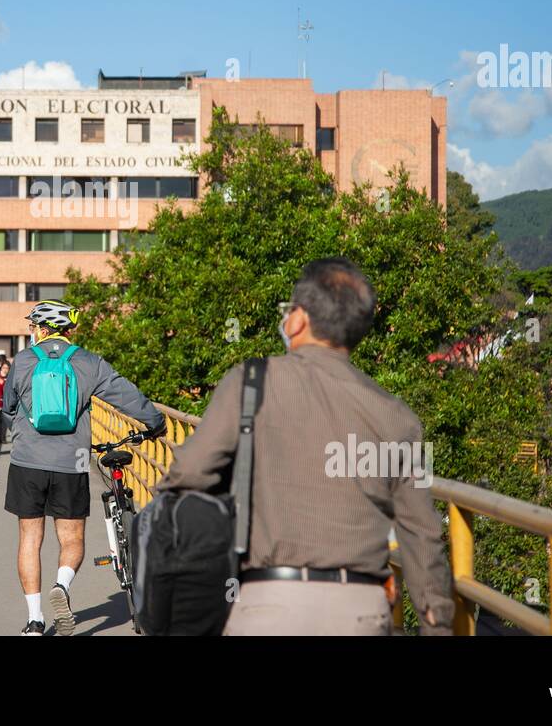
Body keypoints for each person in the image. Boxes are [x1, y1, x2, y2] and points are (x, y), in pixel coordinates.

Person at [158, 257, 455, 635]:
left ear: (298, 320)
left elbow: (186, 475)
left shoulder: (251, 383)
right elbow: (423, 534)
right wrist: (437, 625)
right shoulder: (397, 416)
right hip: (362, 612)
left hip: (266, 607)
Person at [2, 299, 165, 636]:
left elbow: (7, 409)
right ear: (68, 328)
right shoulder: (89, 362)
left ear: (43, 328)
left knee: (30, 538)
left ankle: (34, 621)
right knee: (72, 538)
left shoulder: (22, 361)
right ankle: (62, 586)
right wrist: (156, 422)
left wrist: (21, 431)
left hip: (27, 463)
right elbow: (127, 395)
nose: (32, 332)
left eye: (33, 326)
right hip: (71, 463)